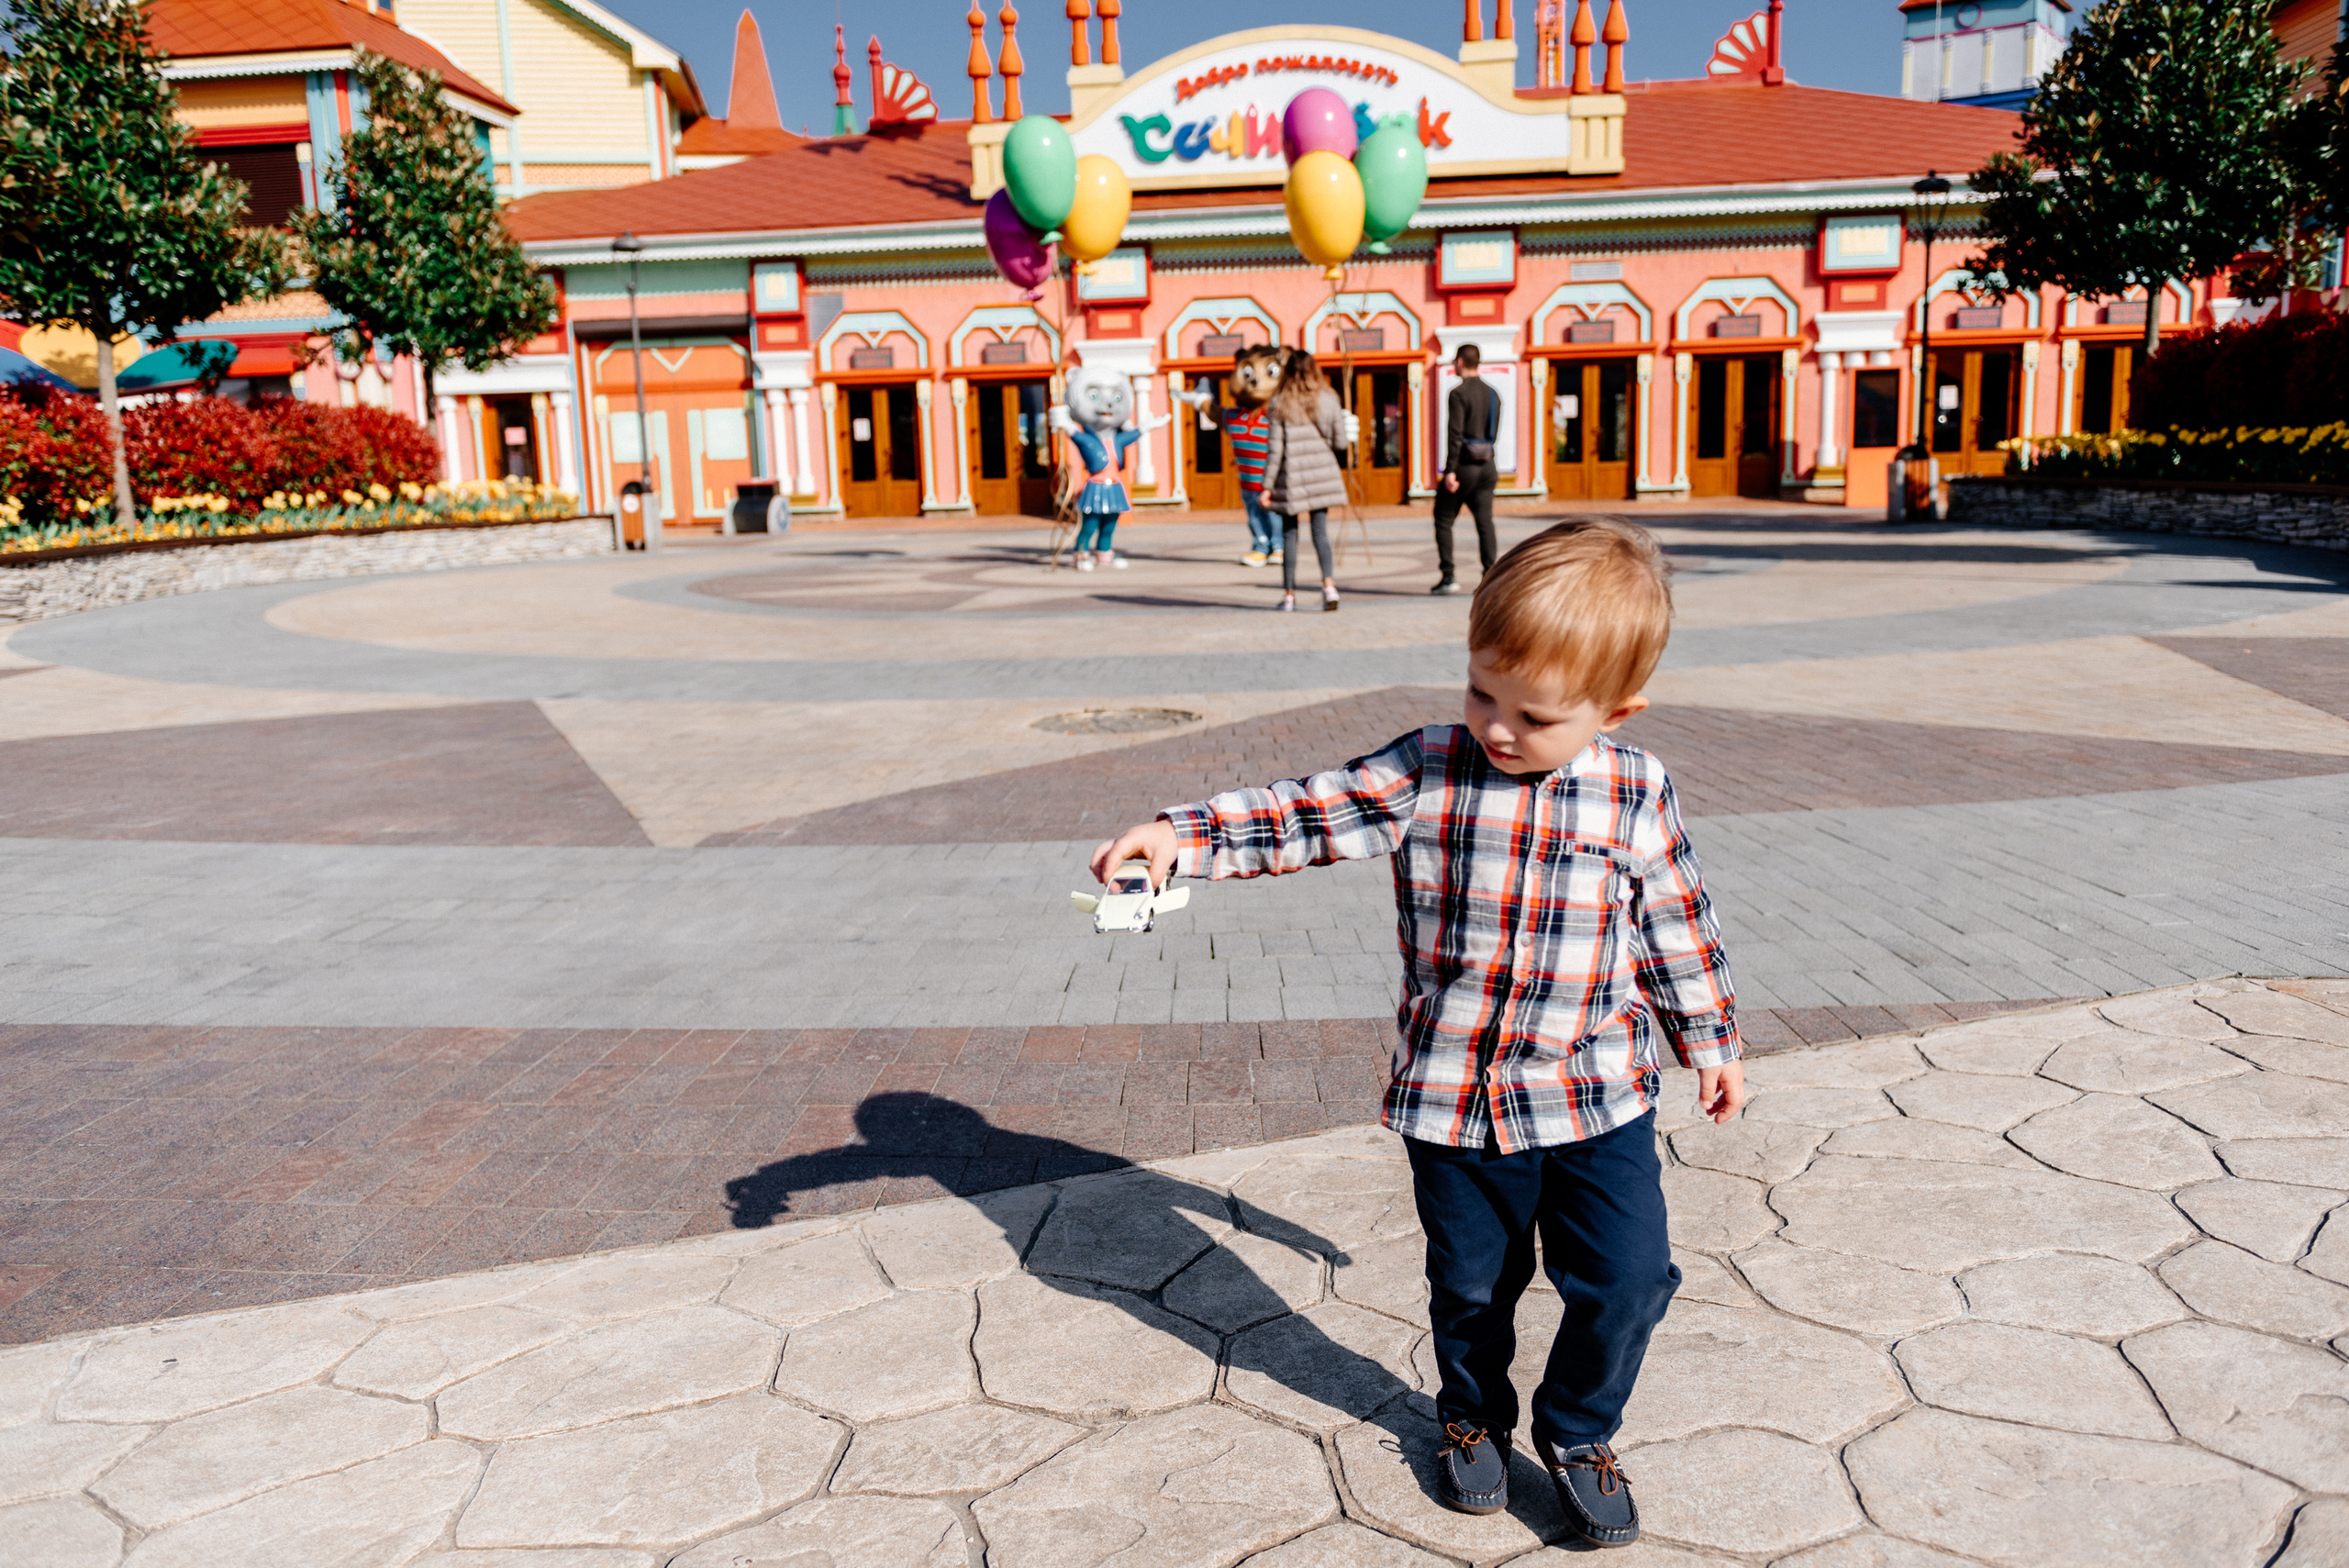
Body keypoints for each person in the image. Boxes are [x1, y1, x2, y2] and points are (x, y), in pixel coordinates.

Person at [1082, 519, 1746, 1550]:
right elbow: (1306, 813)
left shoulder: (1635, 790)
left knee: (1628, 1277)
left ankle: (1579, 1430)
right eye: (1482, 692)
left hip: (1596, 1095)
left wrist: (1710, 1037)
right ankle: (1470, 1413)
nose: (1499, 727)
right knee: (1473, 1285)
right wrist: (1183, 835)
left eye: (1537, 713)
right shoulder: (1429, 769)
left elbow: (1673, 916)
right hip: (1455, 1101)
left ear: (1616, 711)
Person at [1050, 365, 1166, 571]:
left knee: (1110, 524)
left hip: (1114, 488)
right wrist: (1064, 421)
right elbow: (1075, 435)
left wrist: (1146, 426)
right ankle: (1081, 553)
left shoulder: (1117, 439)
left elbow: (1134, 435)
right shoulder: (1086, 439)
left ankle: (1104, 553)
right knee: (1090, 524)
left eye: (1117, 397)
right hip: (1095, 488)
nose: (1109, 404)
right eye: (1095, 396)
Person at [1259, 350, 1351, 612]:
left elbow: (1275, 451)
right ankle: (1329, 587)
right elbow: (1341, 442)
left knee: (1289, 535)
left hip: (1293, 477)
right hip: (1322, 473)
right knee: (1320, 533)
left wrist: (1266, 487)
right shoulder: (1329, 399)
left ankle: (1289, 596)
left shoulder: (1279, 402)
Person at [1180, 345, 1287, 567]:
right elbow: (1213, 412)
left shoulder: (1276, 415)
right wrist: (1200, 400)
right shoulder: (1233, 417)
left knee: (1274, 515)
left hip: (1271, 480)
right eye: (1248, 374)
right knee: (1254, 515)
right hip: (1247, 481)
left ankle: (1279, 546)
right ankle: (1260, 545)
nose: (1256, 381)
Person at [1432, 342, 1502, 595]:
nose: (1453, 366)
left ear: (1461, 362)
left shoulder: (1458, 394)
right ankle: (1490, 576)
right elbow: (1493, 432)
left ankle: (1449, 576)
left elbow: (1455, 435)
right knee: (1485, 522)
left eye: (1454, 361)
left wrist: (1450, 470)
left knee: (1443, 518)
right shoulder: (1493, 394)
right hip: (1487, 466)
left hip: (1464, 466)